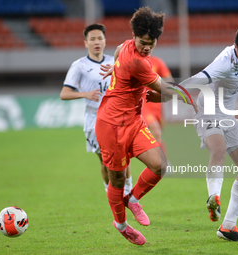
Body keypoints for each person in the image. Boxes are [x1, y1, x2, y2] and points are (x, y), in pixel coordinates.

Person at [97, 7, 195, 245]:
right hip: (111, 125)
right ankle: (121, 224)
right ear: (134, 36)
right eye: (142, 43)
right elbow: (167, 90)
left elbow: (120, 55)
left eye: (151, 43)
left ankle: (133, 199)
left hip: (133, 121)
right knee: (117, 180)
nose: (147, 47)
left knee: (160, 165)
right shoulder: (138, 62)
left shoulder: (124, 47)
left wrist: (116, 70)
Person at [180, 26, 238, 241]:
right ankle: (213, 197)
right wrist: (170, 90)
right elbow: (198, 78)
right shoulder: (224, 62)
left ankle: (227, 227)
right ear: (236, 48)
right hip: (208, 113)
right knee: (218, 150)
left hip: (227, 116)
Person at [60, 23, 133, 196]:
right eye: (92, 39)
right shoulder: (79, 66)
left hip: (117, 116)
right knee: (105, 160)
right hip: (94, 118)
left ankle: (128, 194)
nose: (96, 42)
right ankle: (111, 194)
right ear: (86, 43)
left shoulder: (114, 62)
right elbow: (64, 93)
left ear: (105, 41)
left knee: (124, 157)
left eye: (100, 38)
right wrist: (85, 94)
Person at [142, 56, 174, 155]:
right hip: (144, 104)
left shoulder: (157, 62)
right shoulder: (136, 63)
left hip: (157, 105)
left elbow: (170, 81)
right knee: (156, 131)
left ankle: (162, 161)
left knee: (159, 134)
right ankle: (160, 161)